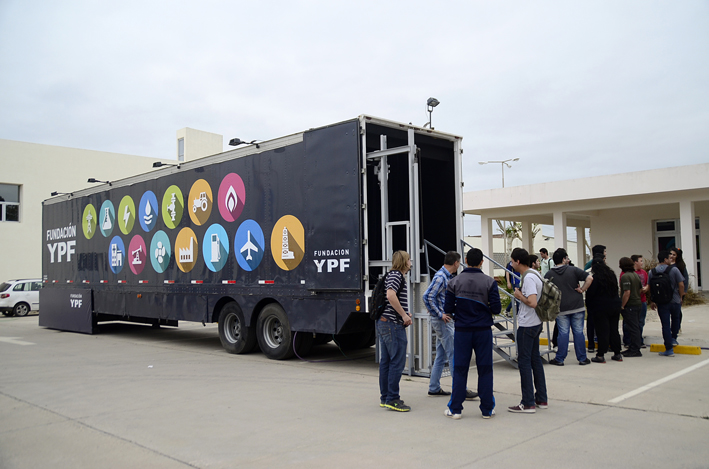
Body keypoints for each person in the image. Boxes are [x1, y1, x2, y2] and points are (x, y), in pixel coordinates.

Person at [443, 248, 501, 420]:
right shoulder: (490, 282)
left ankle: (455, 409)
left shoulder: (454, 282)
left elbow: (447, 309)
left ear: (466, 260)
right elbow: (496, 309)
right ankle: (487, 410)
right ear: (482, 262)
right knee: (485, 370)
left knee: (460, 369)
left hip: (462, 331)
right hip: (483, 331)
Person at [423, 251, 479, 400]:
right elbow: (427, 296)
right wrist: (439, 314)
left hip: (442, 320)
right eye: (459, 263)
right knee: (455, 353)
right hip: (443, 321)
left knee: (441, 355)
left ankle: (434, 387)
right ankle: (461, 389)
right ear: (455, 263)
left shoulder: (444, 276)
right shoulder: (441, 277)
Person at [509, 248, 548, 413]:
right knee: (535, 360)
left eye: (512, 261)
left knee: (524, 362)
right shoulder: (535, 273)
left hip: (528, 325)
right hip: (536, 322)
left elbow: (532, 302)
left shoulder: (529, 278)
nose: (511, 265)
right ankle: (541, 398)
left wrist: (519, 296)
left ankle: (528, 402)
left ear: (518, 262)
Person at [377, 250, 412, 411]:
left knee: (386, 362)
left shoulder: (391, 275)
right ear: (404, 262)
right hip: (392, 325)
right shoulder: (397, 276)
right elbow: (391, 295)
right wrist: (404, 315)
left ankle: (385, 397)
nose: (411, 262)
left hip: (385, 322)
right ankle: (392, 398)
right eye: (409, 259)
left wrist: (404, 312)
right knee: (397, 362)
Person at [546, 248, 593, 366]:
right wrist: (582, 289)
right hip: (577, 305)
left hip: (560, 308)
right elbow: (590, 278)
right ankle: (582, 358)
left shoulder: (550, 274)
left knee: (563, 333)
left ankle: (560, 358)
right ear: (564, 259)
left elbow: (544, 288)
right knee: (578, 332)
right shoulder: (573, 270)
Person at [585, 255, 623, 363]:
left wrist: (589, 307)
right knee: (614, 330)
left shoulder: (595, 278)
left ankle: (601, 354)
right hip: (615, 305)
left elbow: (590, 294)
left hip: (601, 307)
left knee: (603, 331)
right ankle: (617, 353)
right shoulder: (612, 276)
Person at [649, 251, 685, 357]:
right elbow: (681, 284)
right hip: (675, 300)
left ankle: (668, 349)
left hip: (661, 302)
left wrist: (652, 301)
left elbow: (651, 288)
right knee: (676, 319)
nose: (671, 260)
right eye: (669, 258)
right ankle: (674, 338)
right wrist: (681, 296)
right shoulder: (674, 270)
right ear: (665, 259)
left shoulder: (652, 272)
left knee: (665, 325)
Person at [622, 255, 648, 348]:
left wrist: (645, 289)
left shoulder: (641, 273)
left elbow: (627, 292)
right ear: (635, 262)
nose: (642, 263)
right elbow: (628, 290)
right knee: (629, 324)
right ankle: (629, 342)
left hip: (638, 301)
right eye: (640, 261)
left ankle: (636, 343)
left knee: (638, 323)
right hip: (634, 302)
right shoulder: (629, 275)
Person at [619, 257, 643, 357]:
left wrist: (622, 305)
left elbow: (627, 292)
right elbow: (641, 289)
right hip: (638, 303)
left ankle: (635, 349)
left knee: (632, 328)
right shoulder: (636, 275)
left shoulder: (625, 277)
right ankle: (634, 347)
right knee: (636, 326)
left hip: (630, 305)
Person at [669, 247, 689, 334]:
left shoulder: (680, 266)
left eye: (674, 255)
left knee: (677, 310)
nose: (672, 256)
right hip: (669, 290)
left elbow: (686, 278)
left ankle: (677, 326)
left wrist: (684, 290)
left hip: (679, 291)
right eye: (671, 254)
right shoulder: (667, 264)